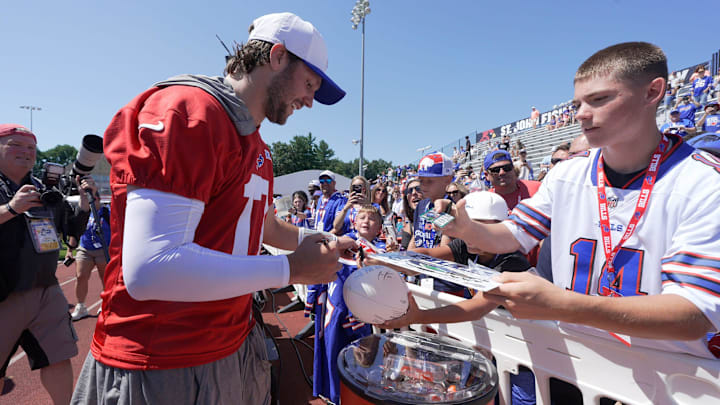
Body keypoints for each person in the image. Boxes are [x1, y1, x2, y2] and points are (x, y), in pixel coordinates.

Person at [70, 12, 356, 405]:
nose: (309, 100)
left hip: (230, 342)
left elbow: (264, 225)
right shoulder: (189, 111)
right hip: (164, 357)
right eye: (308, 83)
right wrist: (291, 268)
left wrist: (326, 240)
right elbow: (149, 268)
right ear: (276, 57)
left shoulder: (254, 142)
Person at [436, 42, 720, 359]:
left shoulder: (704, 183)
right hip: (578, 365)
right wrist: (467, 230)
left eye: (599, 99)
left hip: (667, 376)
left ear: (652, 93)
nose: (581, 113)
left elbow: (695, 314)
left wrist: (564, 304)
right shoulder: (567, 174)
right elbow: (513, 235)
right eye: (578, 103)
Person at [0, 124, 94, 405]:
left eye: (31, 148)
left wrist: (85, 205)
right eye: (15, 145)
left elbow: (69, 229)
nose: (26, 153)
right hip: (4, 294)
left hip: (45, 288)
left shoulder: (44, 187)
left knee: (58, 357)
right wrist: (11, 208)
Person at [309, 205, 387, 404]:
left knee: (363, 355)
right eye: (362, 217)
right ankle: (334, 394)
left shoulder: (382, 250)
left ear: (379, 227)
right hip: (337, 310)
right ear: (354, 221)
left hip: (364, 312)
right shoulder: (344, 241)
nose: (366, 221)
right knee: (334, 349)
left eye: (372, 218)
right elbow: (319, 246)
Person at [68, 199, 111, 321]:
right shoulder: (83, 212)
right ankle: (81, 306)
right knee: (80, 276)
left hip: (104, 249)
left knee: (105, 278)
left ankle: (105, 303)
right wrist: (70, 250)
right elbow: (75, 232)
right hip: (85, 248)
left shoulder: (107, 211)